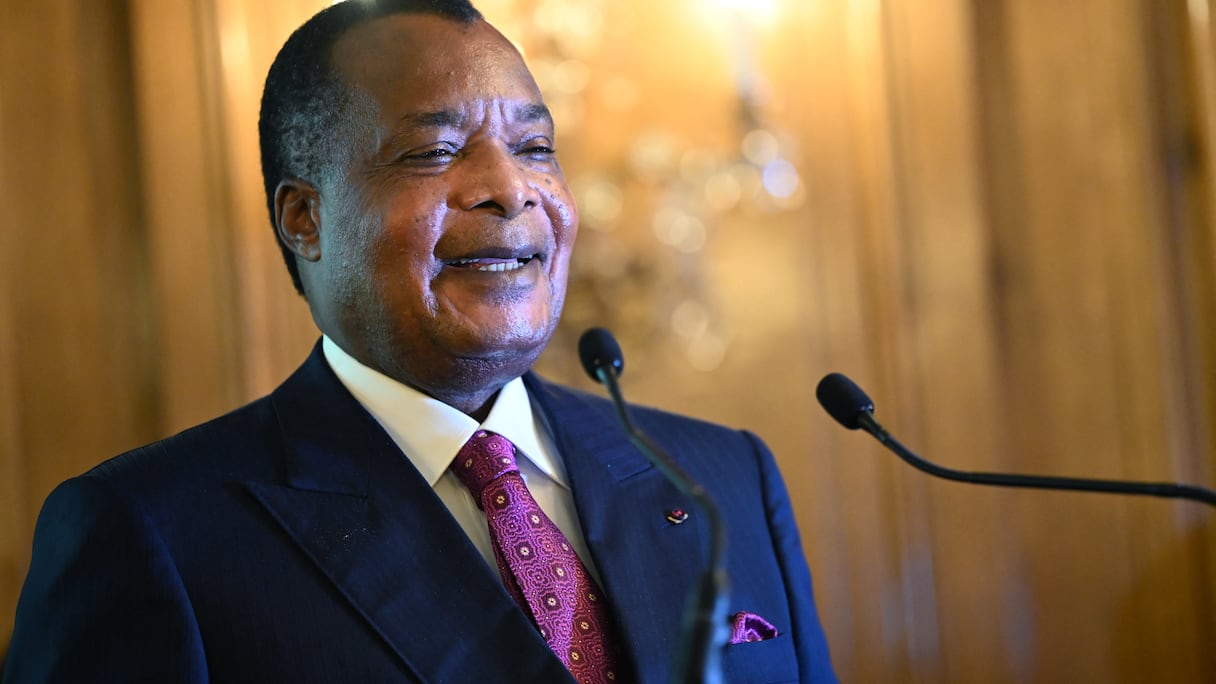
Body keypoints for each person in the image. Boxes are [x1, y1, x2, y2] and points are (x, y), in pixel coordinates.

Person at [2, 1, 836, 682]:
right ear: (305, 218)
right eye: (436, 150)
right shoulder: (153, 531)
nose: (511, 188)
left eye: (535, 147)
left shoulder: (725, 479)